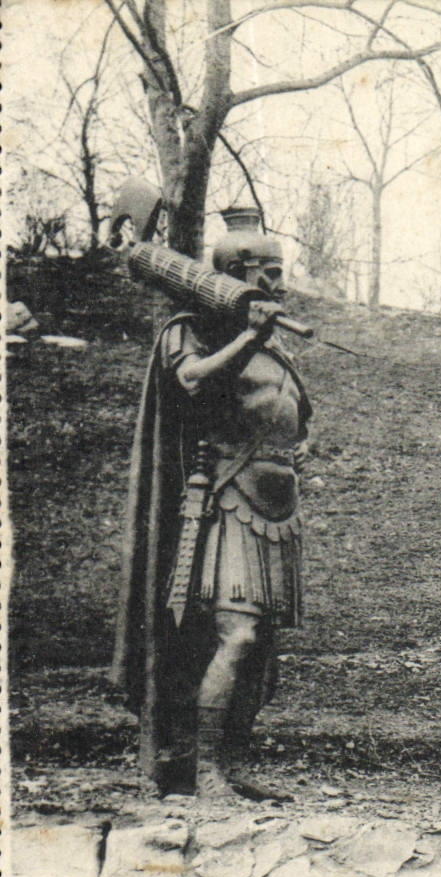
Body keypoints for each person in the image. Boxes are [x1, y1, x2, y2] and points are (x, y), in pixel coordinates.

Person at [112, 207, 311, 801]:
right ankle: (200, 772)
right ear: (240, 273)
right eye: (271, 273)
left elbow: (290, 416)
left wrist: (300, 444)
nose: (281, 285)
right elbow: (195, 381)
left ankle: (233, 764)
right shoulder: (189, 328)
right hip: (226, 506)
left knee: (262, 651)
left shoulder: (275, 349)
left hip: (277, 512)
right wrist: (249, 335)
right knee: (237, 637)